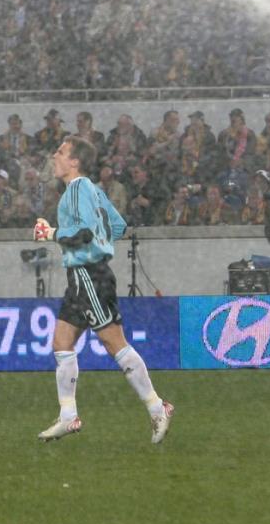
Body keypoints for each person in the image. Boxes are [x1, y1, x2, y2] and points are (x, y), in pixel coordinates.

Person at [33, 136, 173, 445]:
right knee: (62, 342)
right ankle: (68, 416)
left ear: (75, 162)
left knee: (114, 344)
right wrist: (100, 240)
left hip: (88, 274)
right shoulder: (93, 190)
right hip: (84, 275)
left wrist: (51, 232)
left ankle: (157, 407)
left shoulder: (76, 189)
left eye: (61, 152)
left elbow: (84, 233)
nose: (55, 156)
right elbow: (118, 226)